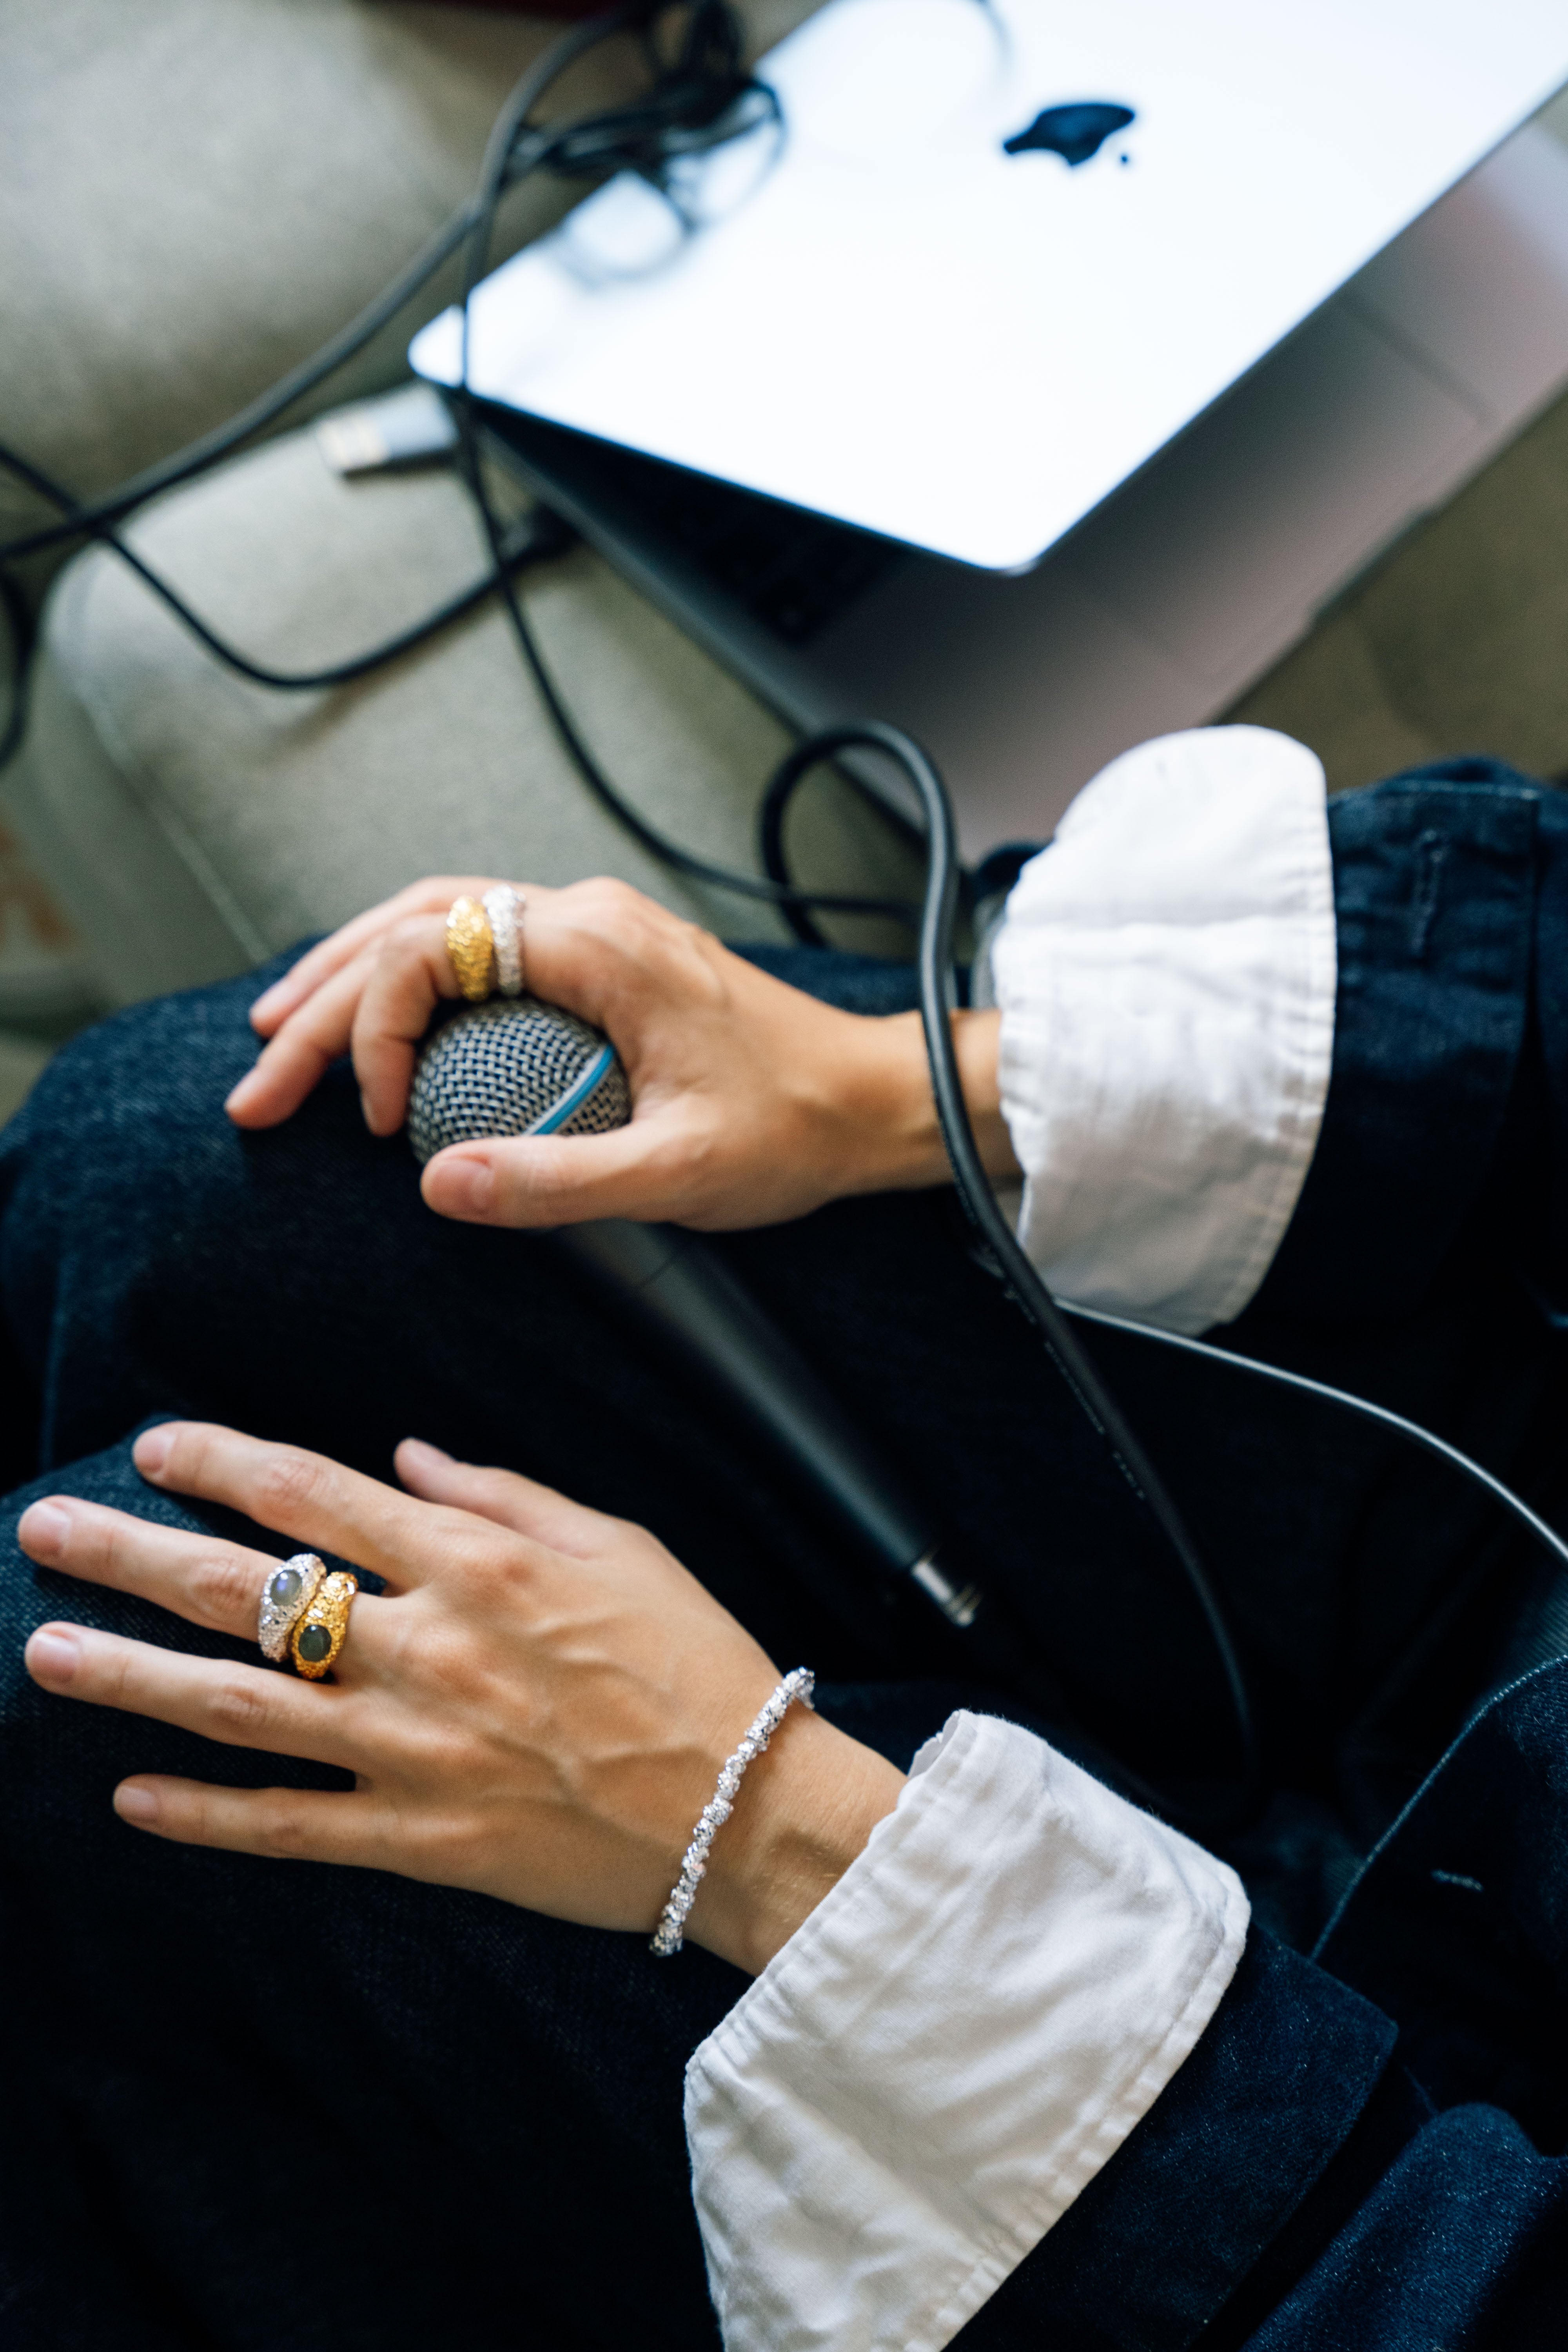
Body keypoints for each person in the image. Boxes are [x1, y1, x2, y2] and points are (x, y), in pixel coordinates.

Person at [1, 724, 1566, 2350]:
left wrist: (771, 1841)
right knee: (176, 1160)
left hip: (1372, 2189)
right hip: (1492, 1433)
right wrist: (903, 1082)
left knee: (75, 1670)